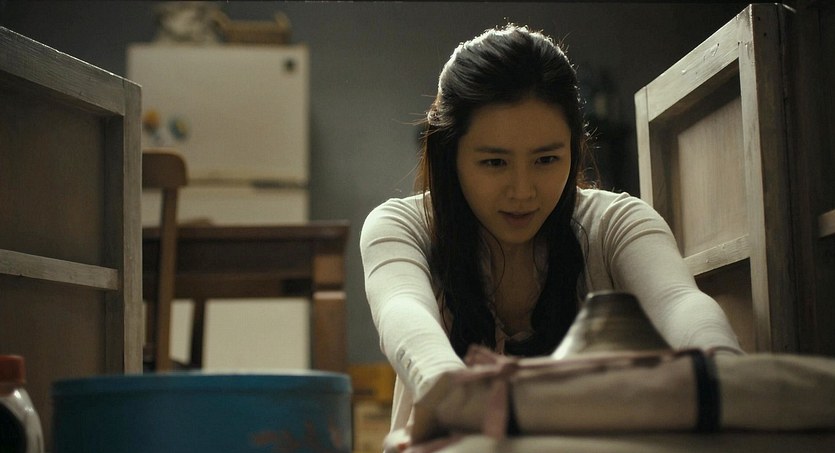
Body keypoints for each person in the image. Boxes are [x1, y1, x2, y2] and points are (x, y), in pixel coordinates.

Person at [359, 23, 742, 434]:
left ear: (573, 148)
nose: (523, 191)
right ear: (450, 156)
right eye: (494, 162)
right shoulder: (403, 226)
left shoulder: (614, 223)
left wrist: (728, 373)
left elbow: (678, 302)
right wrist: (451, 390)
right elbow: (403, 311)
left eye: (546, 160)